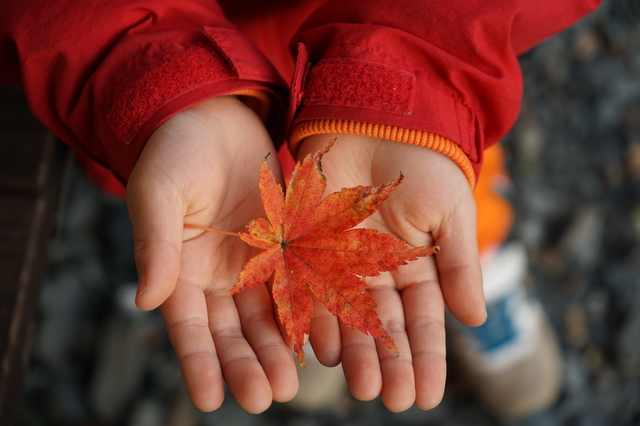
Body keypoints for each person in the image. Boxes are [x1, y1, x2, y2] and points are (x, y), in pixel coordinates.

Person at [0, 0, 601, 416]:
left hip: (409, 41)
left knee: (432, 171)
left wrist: (420, 61)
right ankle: (299, 320)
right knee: (231, 190)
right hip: (181, 44)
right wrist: (142, 72)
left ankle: (469, 259)